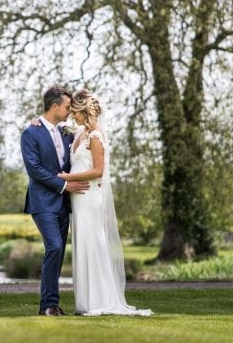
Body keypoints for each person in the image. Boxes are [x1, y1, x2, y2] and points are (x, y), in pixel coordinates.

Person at [56, 89, 152, 316]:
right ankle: (86, 301)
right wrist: (37, 122)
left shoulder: (96, 136)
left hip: (89, 196)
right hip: (78, 199)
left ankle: (101, 300)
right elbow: (55, 127)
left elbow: (98, 171)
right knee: (83, 245)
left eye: (74, 111)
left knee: (94, 244)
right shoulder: (79, 131)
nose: (70, 114)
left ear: (83, 112)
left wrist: (67, 177)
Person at [20, 86, 90, 316]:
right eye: (68, 107)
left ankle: (52, 304)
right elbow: (35, 170)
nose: (70, 111)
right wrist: (64, 185)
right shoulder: (31, 133)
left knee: (58, 253)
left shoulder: (67, 131)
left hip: (64, 204)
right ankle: (47, 305)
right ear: (55, 106)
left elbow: (88, 128)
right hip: (42, 203)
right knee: (55, 247)